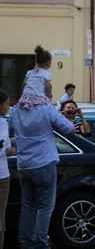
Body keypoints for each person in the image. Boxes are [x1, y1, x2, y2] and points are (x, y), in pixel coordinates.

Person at [9, 91, 74, 248]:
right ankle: (40, 244)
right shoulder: (46, 108)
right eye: (49, 87)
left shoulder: (17, 110)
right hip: (44, 163)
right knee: (45, 206)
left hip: (24, 165)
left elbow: (11, 132)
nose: (52, 92)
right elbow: (69, 129)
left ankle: (25, 243)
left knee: (27, 206)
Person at [0, 90, 16, 249]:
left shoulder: (4, 123)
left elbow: (6, 146)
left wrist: (9, 151)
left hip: (3, 176)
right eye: (6, 104)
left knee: (1, 219)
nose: (8, 107)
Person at [18, 45, 53, 110]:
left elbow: (24, 84)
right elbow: (47, 87)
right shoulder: (47, 74)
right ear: (48, 62)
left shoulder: (30, 72)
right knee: (49, 106)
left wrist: (24, 94)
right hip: (37, 97)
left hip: (25, 97)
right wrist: (49, 97)